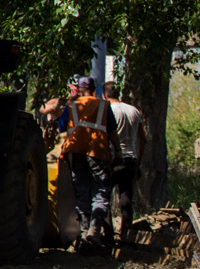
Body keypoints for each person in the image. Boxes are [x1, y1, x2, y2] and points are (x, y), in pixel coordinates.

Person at [57, 76, 120, 251]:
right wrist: (119, 152)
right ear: (94, 88)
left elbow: (61, 128)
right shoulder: (103, 105)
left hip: (76, 152)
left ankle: (84, 234)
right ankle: (94, 229)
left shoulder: (71, 106)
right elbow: (112, 132)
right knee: (100, 194)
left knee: (82, 193)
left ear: (79, 88)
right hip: (98, 152)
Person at [102, 81, 146, 235]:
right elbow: (143, 140)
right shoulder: (134, 110)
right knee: (126, 200)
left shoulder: (108, 111)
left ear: (104, 95)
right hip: (131, 160)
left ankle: (108, 235)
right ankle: (126, 234)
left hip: (114, 160)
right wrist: (138, 163)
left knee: (104, 198)